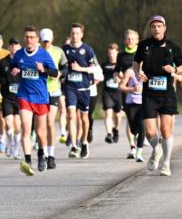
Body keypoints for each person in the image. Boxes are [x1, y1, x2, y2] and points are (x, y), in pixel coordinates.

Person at [133, 15, 182, 177]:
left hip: (167, 93)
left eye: (159, 26)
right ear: (151, 29)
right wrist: (138, 74)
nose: (156, 29)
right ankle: (156, 149)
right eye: (153, 26)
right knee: (149, 132)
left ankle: (166, 163)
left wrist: (174, 70)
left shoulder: (172, 47)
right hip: (149, 92)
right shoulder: (144, 46)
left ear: (164, 28)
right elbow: (136, 63)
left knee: (165, 129)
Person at [11, 26, 59, 175]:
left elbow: (55, 73)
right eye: (27, 37)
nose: (29, 40)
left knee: (40, 132)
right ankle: (27, 161)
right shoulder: (19, 54)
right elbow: (12, 68)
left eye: (32, 37)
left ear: (37, 39)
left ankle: (41, 155)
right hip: (24, 96)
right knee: (25, 129)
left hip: (41, 97)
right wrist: (14, 71)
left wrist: (43, 70)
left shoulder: (44, 55)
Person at [61, 22, 97, 160]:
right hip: (70, 87)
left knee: (84, 118)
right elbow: (60, 65)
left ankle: (84, 142)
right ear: (70, 35)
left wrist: (79, 69)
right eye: (72, 33)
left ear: (81, 34)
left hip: (84, 87)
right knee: (71, 115)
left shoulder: (87, 49)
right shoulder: (65, 49)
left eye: (77, 33)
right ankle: (74, 146)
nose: (74, 36)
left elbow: (92, 68)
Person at [38, 28, 66, 168]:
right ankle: (42, 152)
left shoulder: (58, 51)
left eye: (48, 41)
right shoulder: (36, 52)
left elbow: (65, 67)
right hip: (39, 92)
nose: (46, 44)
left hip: (54, 91)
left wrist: (60, 74)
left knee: (50, 122)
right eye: (44, 41)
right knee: (40, 125)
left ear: (52, 39)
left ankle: (51, 155)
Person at [0, 38, 22, 159]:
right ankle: (10, 143)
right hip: (7, 98)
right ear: (8, 48)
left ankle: (16, 149)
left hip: (20, 98)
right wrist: (3, 81)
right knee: (9, 124)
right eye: (12, 45)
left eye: (16, 45)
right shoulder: (2, 63)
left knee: (18, 125)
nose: (14, 47)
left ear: (20, 47)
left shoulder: (23, 62)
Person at [118, 65, 145, 162]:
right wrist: (132, 89)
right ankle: (137, 137)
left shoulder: (147, 70)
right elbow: (120, 86)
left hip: (143, 103)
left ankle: (139, 154)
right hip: (131, 103)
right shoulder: (129, 71)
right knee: (133, 129)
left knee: (142, 128)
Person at [100, 43, 124, 146]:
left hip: (118, 93)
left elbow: (127, 77)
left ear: (117, 53)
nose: (111, 55)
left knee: (118, 115)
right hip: (107, 92)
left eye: (113, 53)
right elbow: (99, 75)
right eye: (109, 53)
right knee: (108, 113)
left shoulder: (121, 65)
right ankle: (109, 134)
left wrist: (120, 77)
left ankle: (116, 130)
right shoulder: (104, 65)